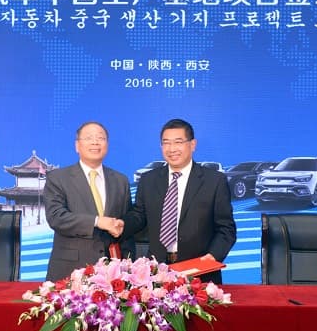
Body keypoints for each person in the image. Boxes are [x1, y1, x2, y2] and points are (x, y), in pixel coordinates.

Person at [123, 118, 236, 284]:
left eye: (178, 142)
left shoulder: (214, 181)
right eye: (166, 143)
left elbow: (226, 228)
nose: (171, 149)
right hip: (156, 272)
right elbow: (139, 216)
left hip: (199, 272)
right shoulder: (148, 180)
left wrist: (213, 256)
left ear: (192, 144)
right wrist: (121, 225)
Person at [44, 121, 134, 281]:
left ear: (107, 145)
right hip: (70, 271)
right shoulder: (58, 178)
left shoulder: (120, 181)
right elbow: (56, 217)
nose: (95, 142)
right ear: (77, 146)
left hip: (111, 274)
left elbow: (125, 229)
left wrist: (128, 267)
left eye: (101, 138)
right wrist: (97, 221)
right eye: (88, 138)